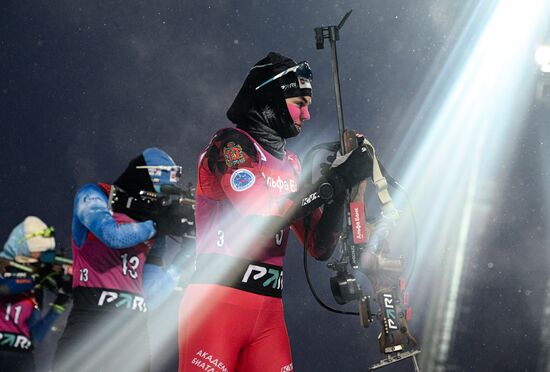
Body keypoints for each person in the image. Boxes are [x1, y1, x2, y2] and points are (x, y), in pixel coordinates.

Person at [178, 52, 372, 371]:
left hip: (269, 313)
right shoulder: (230, 146)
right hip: (216, 306)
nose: (307, 114)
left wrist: (341, 186)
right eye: (299, 102)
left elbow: (319, 247)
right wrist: (332, 182)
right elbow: (261, 220)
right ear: (270, 98)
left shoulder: (291, 164)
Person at [53, 147, 189, 372]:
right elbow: (111, 235)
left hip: (132, 330)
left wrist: (187, 254)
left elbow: (151, 291)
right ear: (145, 177)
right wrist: (156, 226)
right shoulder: (95, 194)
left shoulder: (152, 222)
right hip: (89, 322)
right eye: (159, 192)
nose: (161, 201)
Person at [0, 216, 70, 372]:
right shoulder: (5, 268)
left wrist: (58, 306)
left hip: (21, 360)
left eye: (42, 253)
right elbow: (3, 290)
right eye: (35, 252)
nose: (38, 258)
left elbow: (33, 339)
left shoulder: (34, 284)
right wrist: (34, 279)